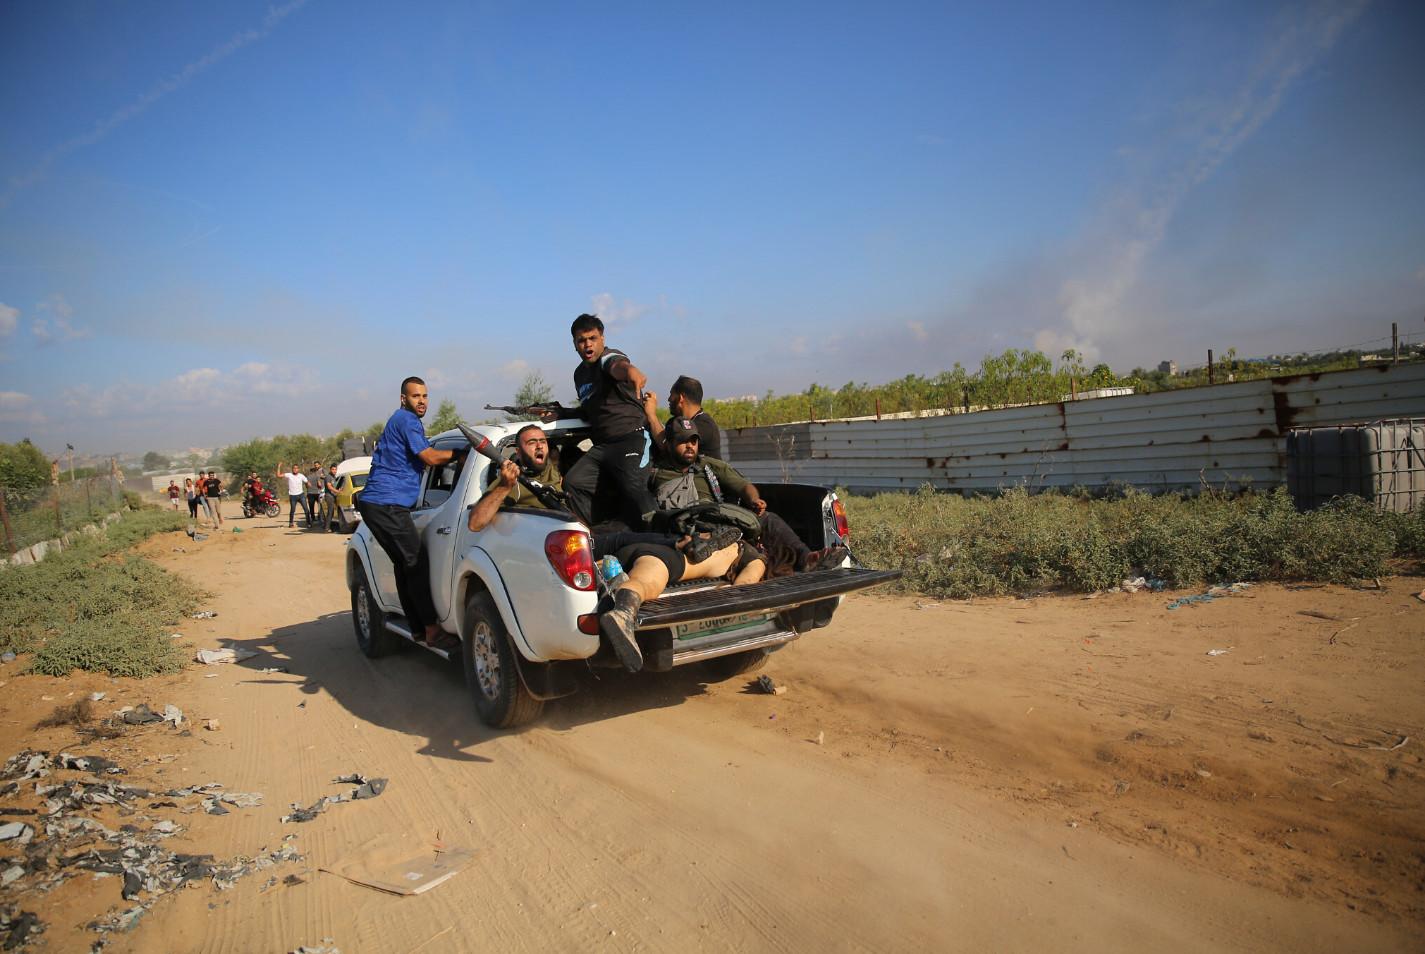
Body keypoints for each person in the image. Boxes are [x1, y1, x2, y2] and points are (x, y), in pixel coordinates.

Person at [467, 424, 738, 567]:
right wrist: (503, 486)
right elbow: (476, 522)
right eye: (531, 442)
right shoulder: (510, 480)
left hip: (586, 528)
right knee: (622, 538)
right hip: (565, 545)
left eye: (543, 441)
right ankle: (686, 543)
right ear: (519, 449)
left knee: (632, 524)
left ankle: (697, 537)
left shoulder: (553, 469)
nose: (540, 446)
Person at [651, 418, 847, 572]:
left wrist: (754, 501)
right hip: (684, 530)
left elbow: (744, 486)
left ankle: (807, 559)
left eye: (693, 440)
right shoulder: (655, 474)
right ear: (668, 444)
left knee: (766, 518)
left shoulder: (708, 465)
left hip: (718, 522)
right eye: (683, 441)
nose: (689, 446)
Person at [358, 376, 463, 650]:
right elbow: (429, 457)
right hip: (387, 503)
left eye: (425, 396)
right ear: (404, 398)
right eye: (416, 396)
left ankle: (417, 629)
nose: (422, 401)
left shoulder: (400, 421)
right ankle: (431, 631)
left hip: (379, 504)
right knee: (416, 564)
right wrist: (461, 455)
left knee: (405, 566)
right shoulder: (407, 420)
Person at [549, 313, 658, 530]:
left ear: (602, 339)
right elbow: (589, 411)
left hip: (632, 438)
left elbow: (618, 367)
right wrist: (560, 413)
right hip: (603, 447)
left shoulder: (609, 358)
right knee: (573, 483)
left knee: (633, 487)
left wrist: (632, 372)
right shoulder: (579, 374)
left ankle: (663, 536)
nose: (587, 344)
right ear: (575, 344)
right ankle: (594, 534)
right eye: (582, 340)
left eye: (592, 338)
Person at [643, 375, 721, 461]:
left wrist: (651, 414)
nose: (669, 399)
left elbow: (666, 446)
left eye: (671, 395)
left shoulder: (705, 425)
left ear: (680, 398)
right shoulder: (674, 422)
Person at [276, 463, 309, 528]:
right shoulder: (289, 475)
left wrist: (309, 484)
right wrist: (279, 466)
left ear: (298, 469)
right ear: (292, 469)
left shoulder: (301, 476)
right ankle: (291, 523)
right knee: (292, 510)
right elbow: (278, 475)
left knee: (306, 509)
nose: (295, 469)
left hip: (301, 495)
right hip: (293, 495)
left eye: (296, 468)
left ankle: (308, 523)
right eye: (294, 468)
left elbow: (306, 482)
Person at [319, 464, 341, 532]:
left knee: (333, 512)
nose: (334, 471)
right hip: (329, 496)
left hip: (333, 496)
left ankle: (329, 526)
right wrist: (338, 491)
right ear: (330, 470)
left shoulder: (334, 477)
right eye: (333, 469)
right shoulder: (328, 477)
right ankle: (327, 527)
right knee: (330, 512)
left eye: (335, 469)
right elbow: (329, 487)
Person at [306, 464, 324, 529]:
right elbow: (319, 484)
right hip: (317, 493)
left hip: (310, 493)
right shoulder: (317, 477)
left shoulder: (307, 477)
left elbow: (306, 484)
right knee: (320, 505)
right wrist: (320, 486)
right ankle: (320, 517)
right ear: (315, 472)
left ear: (311, 472)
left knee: (311, 506)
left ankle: (313, 518)